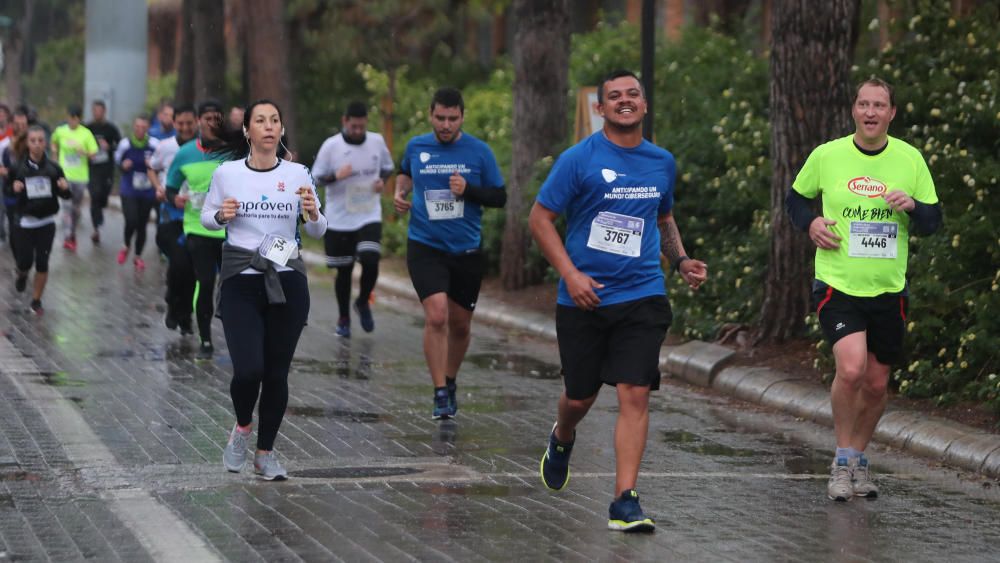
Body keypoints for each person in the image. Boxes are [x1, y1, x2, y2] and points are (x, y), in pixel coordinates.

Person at [530, 70, 707, 533]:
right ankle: (562, 436)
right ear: (601, 108)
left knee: (635, 391)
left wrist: (682, 260)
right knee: (580, 396)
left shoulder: (661, 162)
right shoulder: (578, 159)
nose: (624, 101)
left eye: (632, 94)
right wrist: (571, 274)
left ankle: (625, 499)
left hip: (642, 294)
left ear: (644, 105)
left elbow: (663, 217)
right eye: (614, 96)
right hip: (583, 299)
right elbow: (540, 219)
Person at [786, 78, 942, 502]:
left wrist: (912, 205)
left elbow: (932, 222)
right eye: (864, 104)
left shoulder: (909, 159)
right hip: (838, 283)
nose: (871, 112)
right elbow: (796, 200)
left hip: (889, 288)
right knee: (851, 369)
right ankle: (840, 461)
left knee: (875, 384)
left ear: (892, 113)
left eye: (880, 105)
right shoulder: (828, 155)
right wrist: (812, 223)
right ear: (854, 110)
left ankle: (858, 458)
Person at [202, 99, 327, 480]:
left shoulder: (298, 174)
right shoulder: (227, 173)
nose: (269, 126)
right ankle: (242, 428)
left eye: (275, 120)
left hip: (287, 279)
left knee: (276, 374)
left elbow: (320, 230)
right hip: (241, 280)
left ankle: (265, 453)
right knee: (248, 370)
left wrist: (312, 212)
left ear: (281, 130)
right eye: (261, 120)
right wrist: (223, 214)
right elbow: (207, 218)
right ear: (248, 131)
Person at [393, 87, 506, 420]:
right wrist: (401, 193)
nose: (445, 125)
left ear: (462, 117)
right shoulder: (417, 146)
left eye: (452, 119)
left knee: (459, 325)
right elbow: (404, 172)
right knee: (437, 315)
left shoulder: (479, 152)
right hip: (425, 246)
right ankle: (440, 391)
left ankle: (451, 378)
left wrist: (468, 190)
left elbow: (499, 197)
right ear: (430, 115)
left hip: (466, 250)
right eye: (439, 118)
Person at [313, 101, 394, 337]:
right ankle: (344, 317)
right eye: (353, 126)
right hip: (340, 218)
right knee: (344, 272)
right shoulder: (331, 146)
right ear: (344, 121)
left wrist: (382, 181)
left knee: (371, 258)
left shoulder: (377, 141)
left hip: (369, 213)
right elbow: (315, 178)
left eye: (361, 126)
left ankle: (362, 302)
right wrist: (336, 176)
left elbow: (388, 168)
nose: (358, 131)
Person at [165, 100, 227, 359]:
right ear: (199, 121)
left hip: (229, 229)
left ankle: (236, 329)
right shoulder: (185, 153)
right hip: (197, 227)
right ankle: (205, 338)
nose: (212, 123)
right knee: (205, 281)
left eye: (217, 118)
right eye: (207, 118)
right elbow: (170, 187)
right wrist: (174, 199)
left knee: (232, 285)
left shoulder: (233, 152)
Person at [11, 126, 72, 315]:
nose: (37, 144)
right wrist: (14, 189)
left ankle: (36, 301)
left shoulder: (54, 169)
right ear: (28, 143)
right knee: (25, 262)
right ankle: (21, 274)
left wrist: (63, 188)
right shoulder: (18, 168)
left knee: (42, 262)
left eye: (40, 140)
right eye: (33, 141)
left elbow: (66, 196)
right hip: (25, 223)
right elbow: (7, 192)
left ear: (45, 143)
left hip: (46, 222)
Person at [149, 104, 198, 334]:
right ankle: (172, 303)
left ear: (197, 122)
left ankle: (185, 314)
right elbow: (151, 168)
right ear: (174, 123)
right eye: (181, 123)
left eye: (190, 123)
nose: (186, 128)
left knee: (190, 269)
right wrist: (159, 187)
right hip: (171, 216)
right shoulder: (165, 147)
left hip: (196, 217)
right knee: (179, 263)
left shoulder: (204, 148)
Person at [50, 105, 98, 251]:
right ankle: (68, 236)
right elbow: (53, 142)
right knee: (66, 206)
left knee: (76, 208)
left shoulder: (86, 134)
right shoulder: (61, 131)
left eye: (74, 119)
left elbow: (94, 153)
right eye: (69, 118)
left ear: (79, 119)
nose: (71, 121)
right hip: (65, 175)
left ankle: (73, 231)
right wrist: (54, 154)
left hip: (81, 176)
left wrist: (83, 152)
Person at [114, 116, 160, 270]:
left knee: (142, 225)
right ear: (134, 127)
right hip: (129, 189)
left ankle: (138, 256)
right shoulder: (125, 144)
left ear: (148, 128)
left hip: (147, 191)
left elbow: (162, 163)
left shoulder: (154, 144)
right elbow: (117, 160)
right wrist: (123, 165)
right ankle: (126, 245)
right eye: (137, 126)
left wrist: (153, 165)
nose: (140, 130)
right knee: (131, 220)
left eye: (143, 127)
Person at [86, 100, 122, 243]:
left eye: (100, 111)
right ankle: (96, 228)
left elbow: (120, 145)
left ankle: (100, 209)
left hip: (106, 168)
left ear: (104, 111)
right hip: (92, 168)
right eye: (95, 110)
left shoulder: (111, 128)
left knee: (103, 196)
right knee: (94, 195)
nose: (97, 113)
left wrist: (109, 147)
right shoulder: (87, 128)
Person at [1, 107, 30, 254]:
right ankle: (19, 261)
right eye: (17, 124)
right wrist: (7, 173)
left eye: (24, 124)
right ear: (12, 125)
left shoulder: (33, 143)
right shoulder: (6, 145)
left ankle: (25, 259)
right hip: (11, 193)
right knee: (14, 227)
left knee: (28, 228)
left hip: (30, 194)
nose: (21, 128)